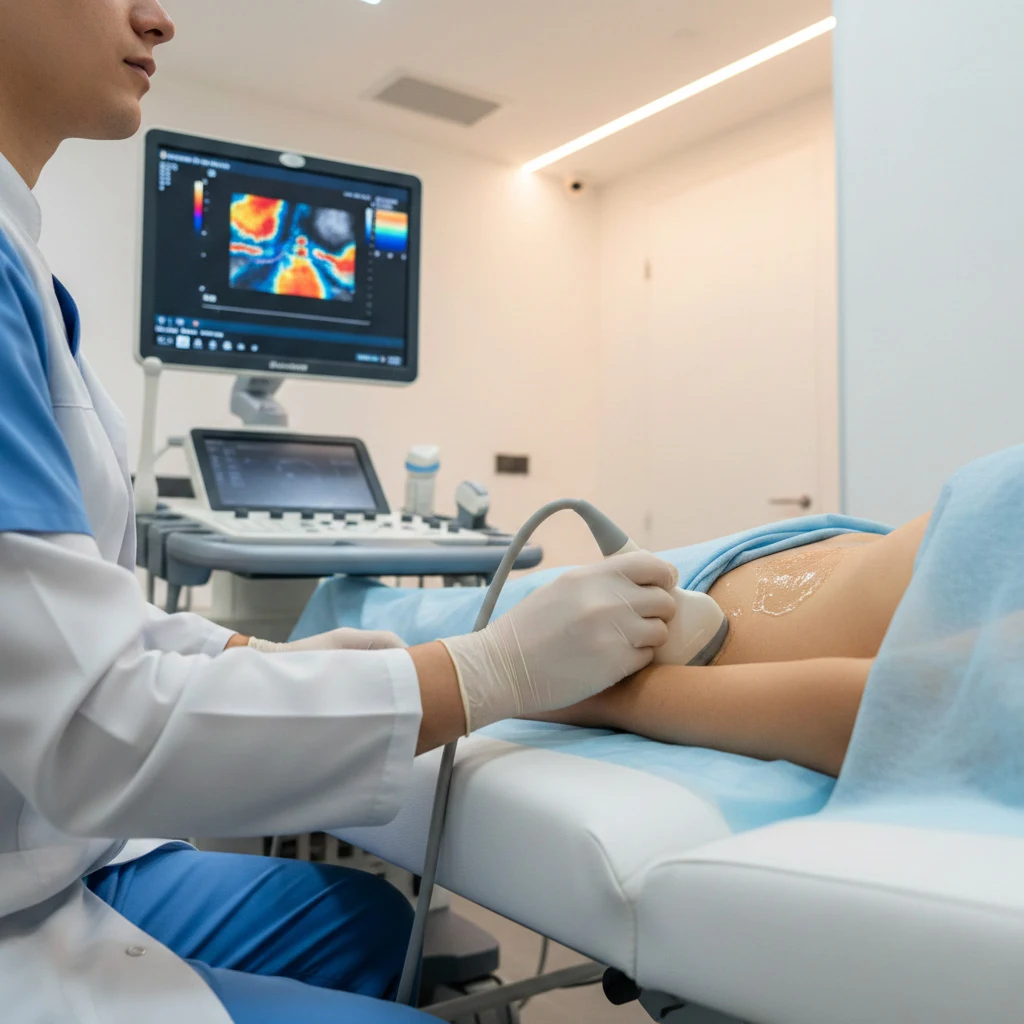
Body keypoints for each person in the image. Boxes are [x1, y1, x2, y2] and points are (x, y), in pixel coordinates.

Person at [0, 3, 681, 1022]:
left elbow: (70, 633)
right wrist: (488, 670)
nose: (158, 17)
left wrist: (266, 658)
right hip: (26, 892)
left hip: (52, 853)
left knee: (379, 925)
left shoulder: (26, 271)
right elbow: (95, 723)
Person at [536, 513, 934, 777]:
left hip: (656, 640)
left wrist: (600, 696)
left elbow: (896, 707)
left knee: (515, 612)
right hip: (795, 540)